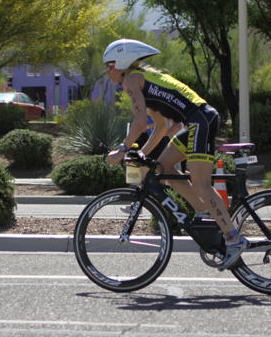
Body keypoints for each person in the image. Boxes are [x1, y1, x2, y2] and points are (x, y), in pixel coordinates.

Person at [103, 38, 248, 270]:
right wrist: (142, 155)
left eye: (109, 65)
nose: (107, 71)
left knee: (201, 184)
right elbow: (160, 127)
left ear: (122, 62)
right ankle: (202, 211)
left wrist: (122, 149)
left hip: (200, 120)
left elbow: (139, 123)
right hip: (197, 120)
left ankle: (233, 239)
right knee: (164, 168)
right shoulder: (143, 79)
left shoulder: (131, 79)